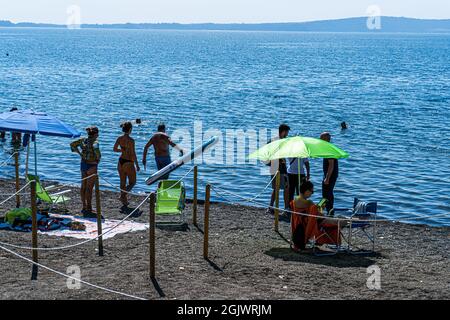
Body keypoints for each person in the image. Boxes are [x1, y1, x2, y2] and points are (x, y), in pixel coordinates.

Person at [290, 181, 343, 252]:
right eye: (312, 191)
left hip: (302, 226)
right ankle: (355, 221)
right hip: (315, 225)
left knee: (339, 218)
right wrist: (321, 207)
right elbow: (319, 215)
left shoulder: (294, 201)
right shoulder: (309, 203)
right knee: (342, 221)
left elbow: (310, 214)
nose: (312, 193)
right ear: (307, 191)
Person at [70, 126, 101, 217]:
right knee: (89, 188)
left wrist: (79, 153)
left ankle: (84, 206)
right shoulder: (95, 143)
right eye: (97, 133)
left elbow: (72, 144)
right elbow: (98, 154)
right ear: (95, 134)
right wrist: (98, 160)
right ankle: (89, 207)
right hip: (92, 165)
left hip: (83, 164)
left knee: (83, 186)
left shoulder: (83, 140)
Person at [114, 121, 140, 207]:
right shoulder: (131, 140)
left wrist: (122, 150)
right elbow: (133, 153)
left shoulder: (119, 138)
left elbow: (114, 149)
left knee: (122, 182)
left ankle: (124, 201)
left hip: (121, 161)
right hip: (128, 162)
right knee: (132, 183)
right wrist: (137, 164)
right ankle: (122, 196)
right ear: (130, 130)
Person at [266, 124, 290, 214]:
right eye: (287, 132)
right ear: (283, 131)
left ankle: (271, 207)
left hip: (274, 167)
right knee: (286, 188)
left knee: (276, 188)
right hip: (280, 168)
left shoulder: (272, 141)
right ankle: (286, 208)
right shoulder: (280, 141)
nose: (287, 134)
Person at [320, 132, 339, 215]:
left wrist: (327, 178)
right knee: (327, 192)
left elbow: (331, 165)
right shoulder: (327, 147)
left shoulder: (328, 149)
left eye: (321, 138)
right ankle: (324, 210)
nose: (320, 140)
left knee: (327, 193)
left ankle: (329, 211)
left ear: (326, 139)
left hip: (330, 175)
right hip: (329, 174)